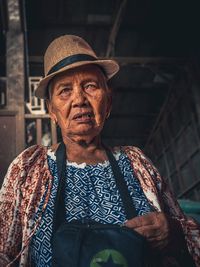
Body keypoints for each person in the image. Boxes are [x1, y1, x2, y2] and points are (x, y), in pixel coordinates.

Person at [0, 35, 199, 267]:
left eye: (90, 86)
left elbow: (189, 234)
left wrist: (174, 233)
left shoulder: (136, 162)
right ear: (52, 111)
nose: (79, 100)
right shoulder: (28, 167)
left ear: (108, 102)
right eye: (65, 90)